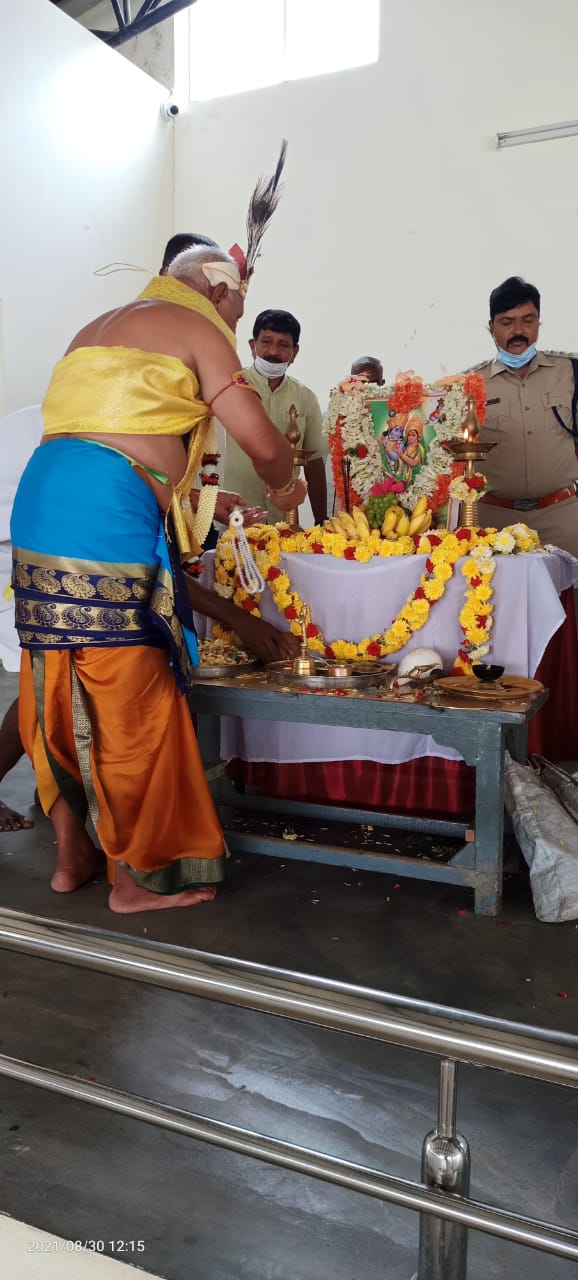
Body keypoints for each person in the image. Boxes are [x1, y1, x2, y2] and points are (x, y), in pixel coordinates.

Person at [10, 242, 305, 913]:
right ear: (219, 290)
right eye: (239, 304)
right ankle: (137, 878)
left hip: (46, 502)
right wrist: (285, 486)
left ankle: (72, 853)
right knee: (130, 689)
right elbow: (260, 441)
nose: (237, 321)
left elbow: (116, 431)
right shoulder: (198, 326)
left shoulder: (98, 326)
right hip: (104, 510)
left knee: (56, 675)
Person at [475, 276, 578, 557]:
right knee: (494, 599)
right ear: (491, 327)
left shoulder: (571, 373)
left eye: (528, 320)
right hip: (494, 522)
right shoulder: (470, 385)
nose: (518, 331)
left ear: (539, 322)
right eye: (507, 322)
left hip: (563, 518)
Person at [224, 309, 328, 525]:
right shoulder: (229, 387)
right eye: (266, 342)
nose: (273, 351)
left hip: (285, 523)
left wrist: (321, 523)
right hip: (232, 518)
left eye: (283, 345)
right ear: (252, 346)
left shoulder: (305, 397)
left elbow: (314, 464)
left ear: (295, 352)